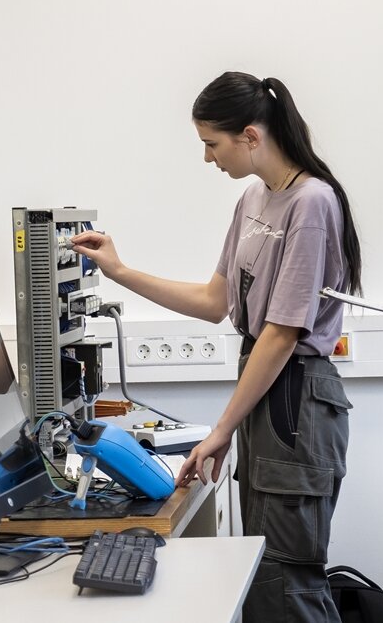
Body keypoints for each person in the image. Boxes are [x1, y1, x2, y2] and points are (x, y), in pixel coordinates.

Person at [72, 71, 360, 622]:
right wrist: (119, 271)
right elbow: (214, 301)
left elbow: (281, 334)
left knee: (286, 579)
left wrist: (223, 429)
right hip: (265, 388)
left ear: (250, 136)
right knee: (262, 573)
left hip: (296, 394)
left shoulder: (313, 203)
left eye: (212, 144)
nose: (208, 158)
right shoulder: (256, 198)